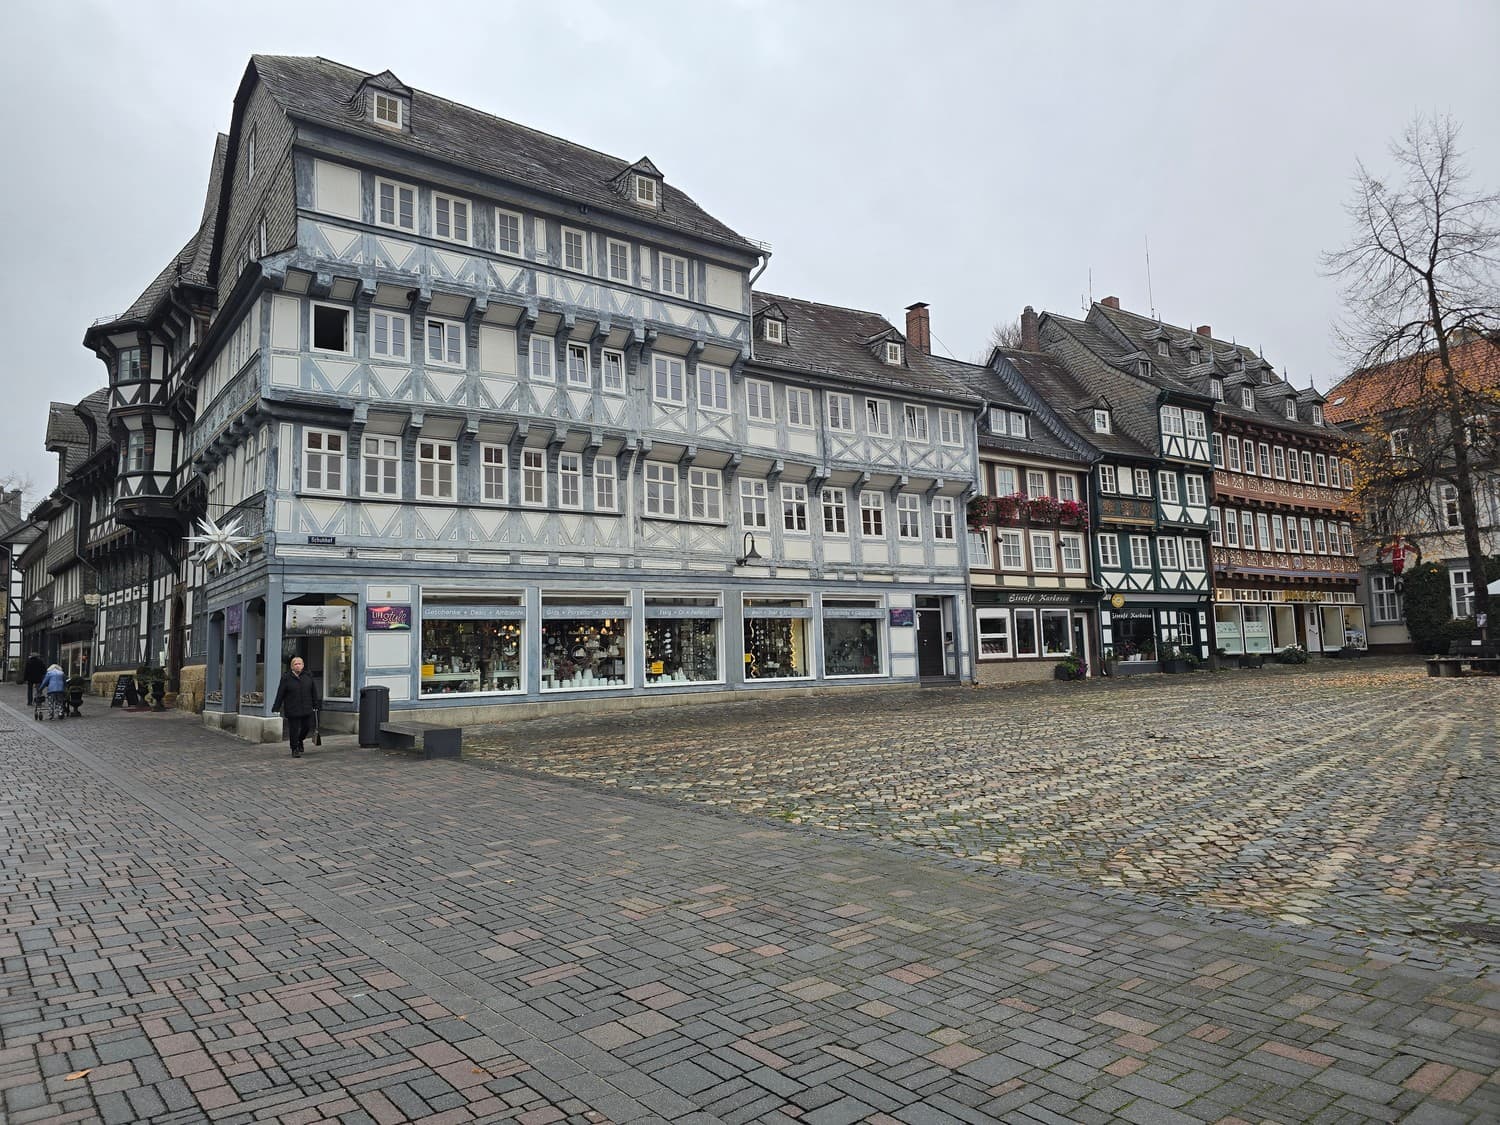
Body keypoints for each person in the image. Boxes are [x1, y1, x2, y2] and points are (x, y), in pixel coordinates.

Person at [271, 655, 320, 758]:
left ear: (303, 665)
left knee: (307, 727)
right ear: (292, 666)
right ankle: (294, 749)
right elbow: (280, 693)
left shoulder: (308, 676)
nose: (298, 666)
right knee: (294, 729)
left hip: (306, 707)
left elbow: (313, 691)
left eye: (299, 664)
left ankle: (300, 740)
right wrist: (276, 707)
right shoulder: (286, 678)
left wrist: (316, 704)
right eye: (295, 664)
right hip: (292, 708)